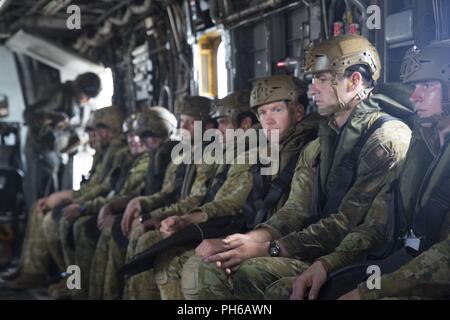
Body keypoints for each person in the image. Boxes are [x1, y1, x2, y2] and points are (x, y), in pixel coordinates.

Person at [191, 34, 412, 300]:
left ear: (354, 81)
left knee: (252, 270)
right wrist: (249, 239)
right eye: (312, 80)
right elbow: (294, 211)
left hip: (360, 261)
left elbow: (347, 223)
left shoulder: (387, 137)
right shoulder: (319, 145)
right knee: (214, 265)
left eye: (321, 79)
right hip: (319, 251)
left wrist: (269, 249)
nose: (313, 89)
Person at [24, 72, 101, 206]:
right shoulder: (57, 93)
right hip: (42, 152)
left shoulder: (82, 106)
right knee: (40, 198)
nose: (87, 101)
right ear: (78, 88)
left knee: (59, 199)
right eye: (86, 96)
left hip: (62, 154)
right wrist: (53, 117)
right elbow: (30, 115)